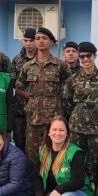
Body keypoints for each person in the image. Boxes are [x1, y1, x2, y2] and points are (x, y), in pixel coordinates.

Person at [32, 116, 93, 196]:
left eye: (61, 130)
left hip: (80, 195)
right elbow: (36, 177)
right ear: (48, 132)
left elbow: (78, 181)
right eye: (54, 129)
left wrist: (58, 190)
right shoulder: (44, 151)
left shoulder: (75, 152)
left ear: (67, 133)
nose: (57, 133)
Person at [15, 27, 70, 166]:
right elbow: (18, 87)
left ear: (51, 42)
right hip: (33, 120)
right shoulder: (27, 66)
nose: (40, 41)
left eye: (44, 38)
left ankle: (52, 186)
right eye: (37, 38)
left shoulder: (60, 65)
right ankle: (34, 187)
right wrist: (29, 97)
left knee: (54, 155)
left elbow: (69, 87)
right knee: (32, 157)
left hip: (54, 121)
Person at [62, 41, 98, 179]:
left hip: (97, 131)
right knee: (76, 163)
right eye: (82, 56)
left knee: (97, 165)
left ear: (95, 56)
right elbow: (66, 103)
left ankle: (96, 194)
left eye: (88, 56)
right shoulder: (72, 79)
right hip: (77, 130)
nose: (85, 59)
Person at [10, 28, 37, 153]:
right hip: (20, 110)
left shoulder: (42, 59)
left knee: (37, 145)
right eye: (25, 40)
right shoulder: (17, 60)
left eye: (31, 40)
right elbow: (13, 83)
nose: (28, 43)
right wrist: (24, 94)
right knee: (19, 142)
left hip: (38, 110)